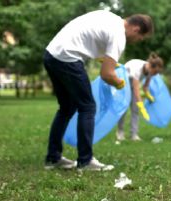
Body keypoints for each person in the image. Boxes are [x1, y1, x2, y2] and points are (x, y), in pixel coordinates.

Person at [43, 10, 154, 171]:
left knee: (67, 108)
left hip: (51, 54)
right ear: (136, 29)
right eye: (140, 38)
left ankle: (53, 158)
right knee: (87, 107)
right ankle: (85, 161)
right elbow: (106, 74)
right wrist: (120, 83)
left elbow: (87, 37)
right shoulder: (119, 36)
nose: (137, 41)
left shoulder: (109, 17)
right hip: (68, 58)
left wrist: (103, 59)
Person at [116, 53, 164, 141]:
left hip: (134, 85)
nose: (155, 74)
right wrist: (142, 106)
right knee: (124, 110)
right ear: (150, 67)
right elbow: (136, 88)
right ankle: (120, 132)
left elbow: (145, 87)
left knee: (135, 110)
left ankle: (134, 135)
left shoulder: (150, 72)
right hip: (123, 84)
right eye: (155, 72)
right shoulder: (137, 68)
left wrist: (149, 96)